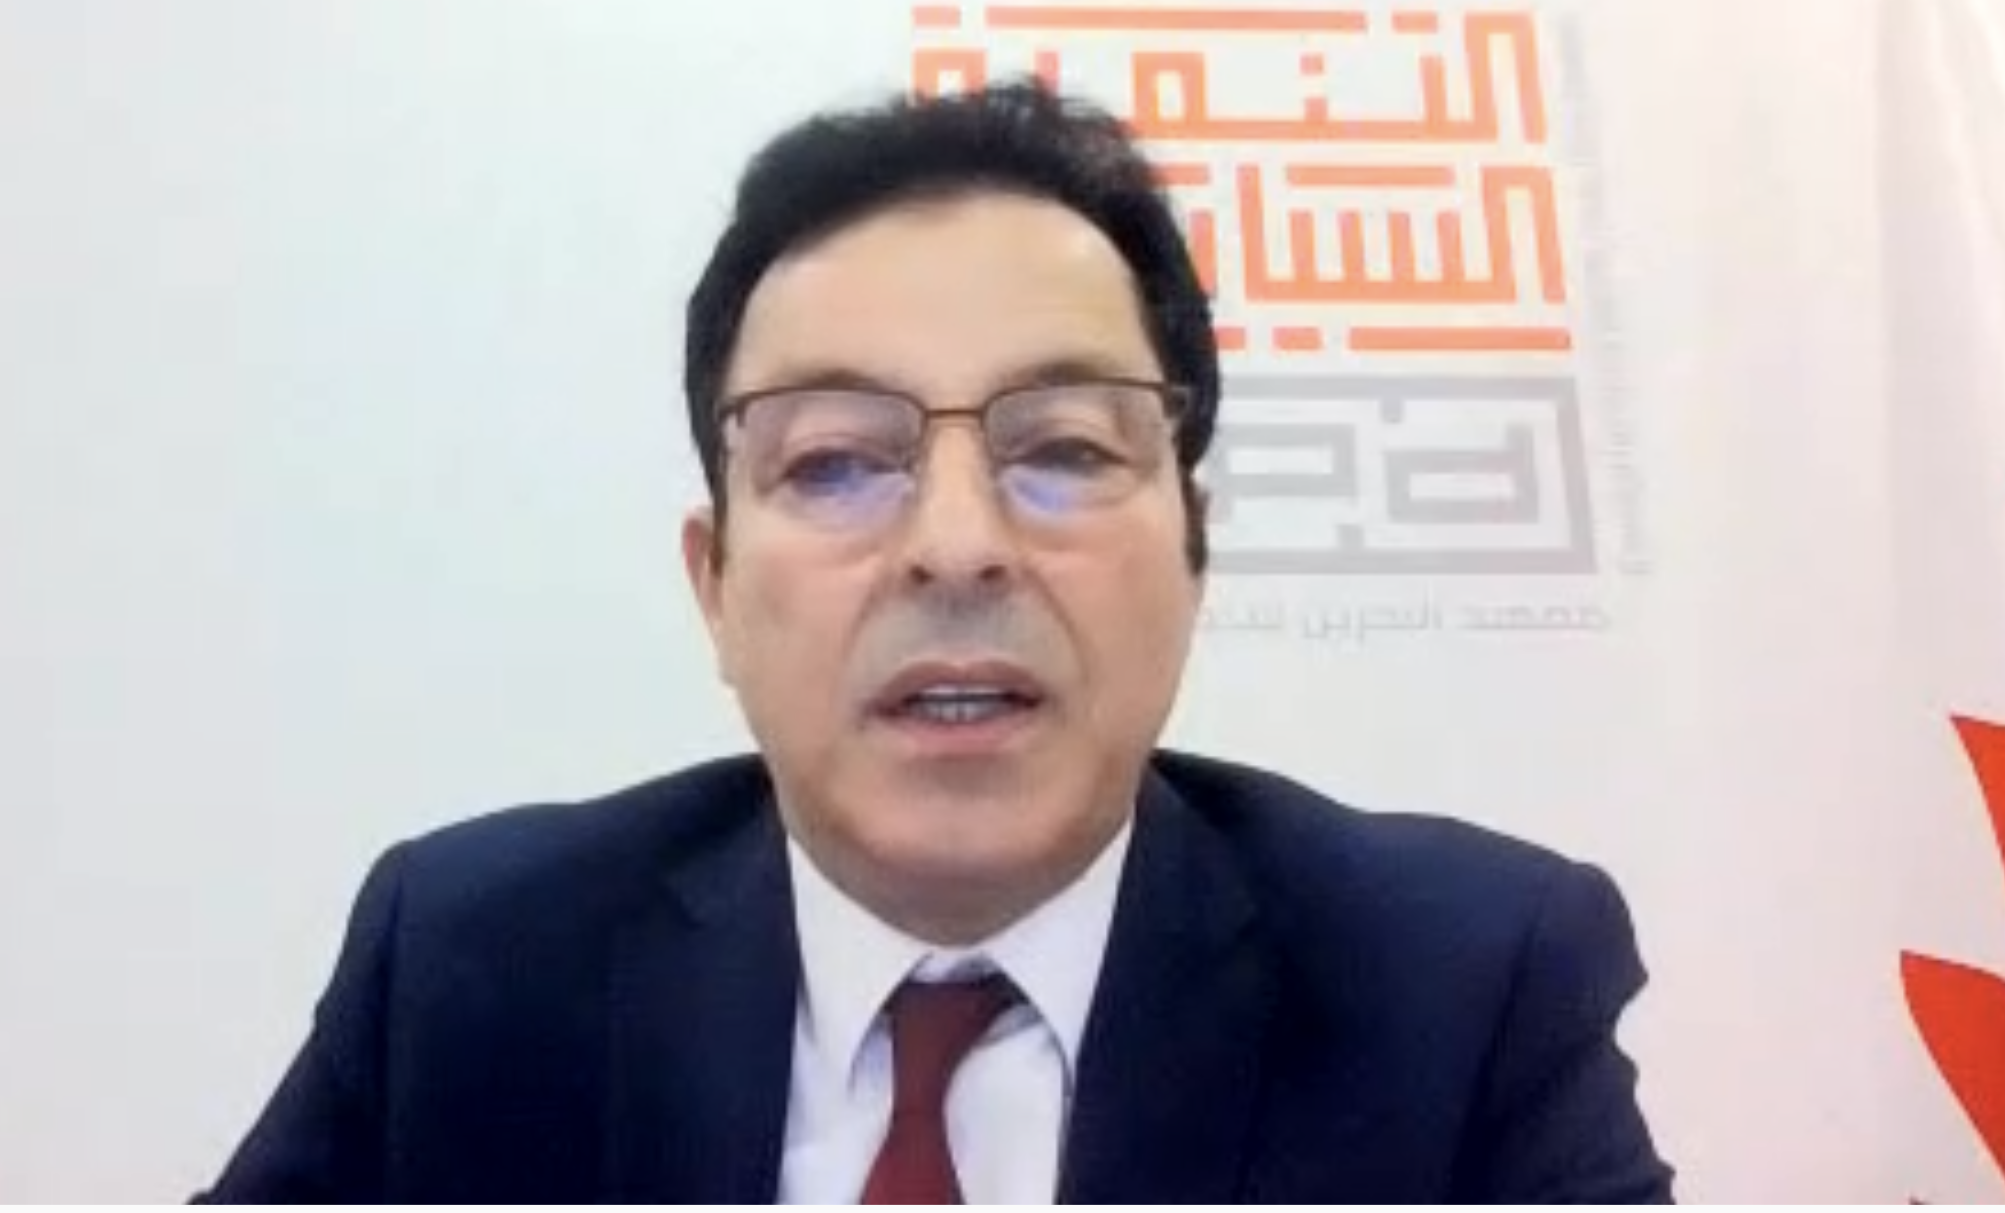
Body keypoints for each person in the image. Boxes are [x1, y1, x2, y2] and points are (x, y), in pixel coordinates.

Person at [197, 77, 1675, 1203]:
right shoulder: (469, 964)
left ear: (1194, 552)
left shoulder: (1463, 986)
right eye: (837, 460)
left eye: (1064, 449)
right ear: (715, 585)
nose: (957, 545)